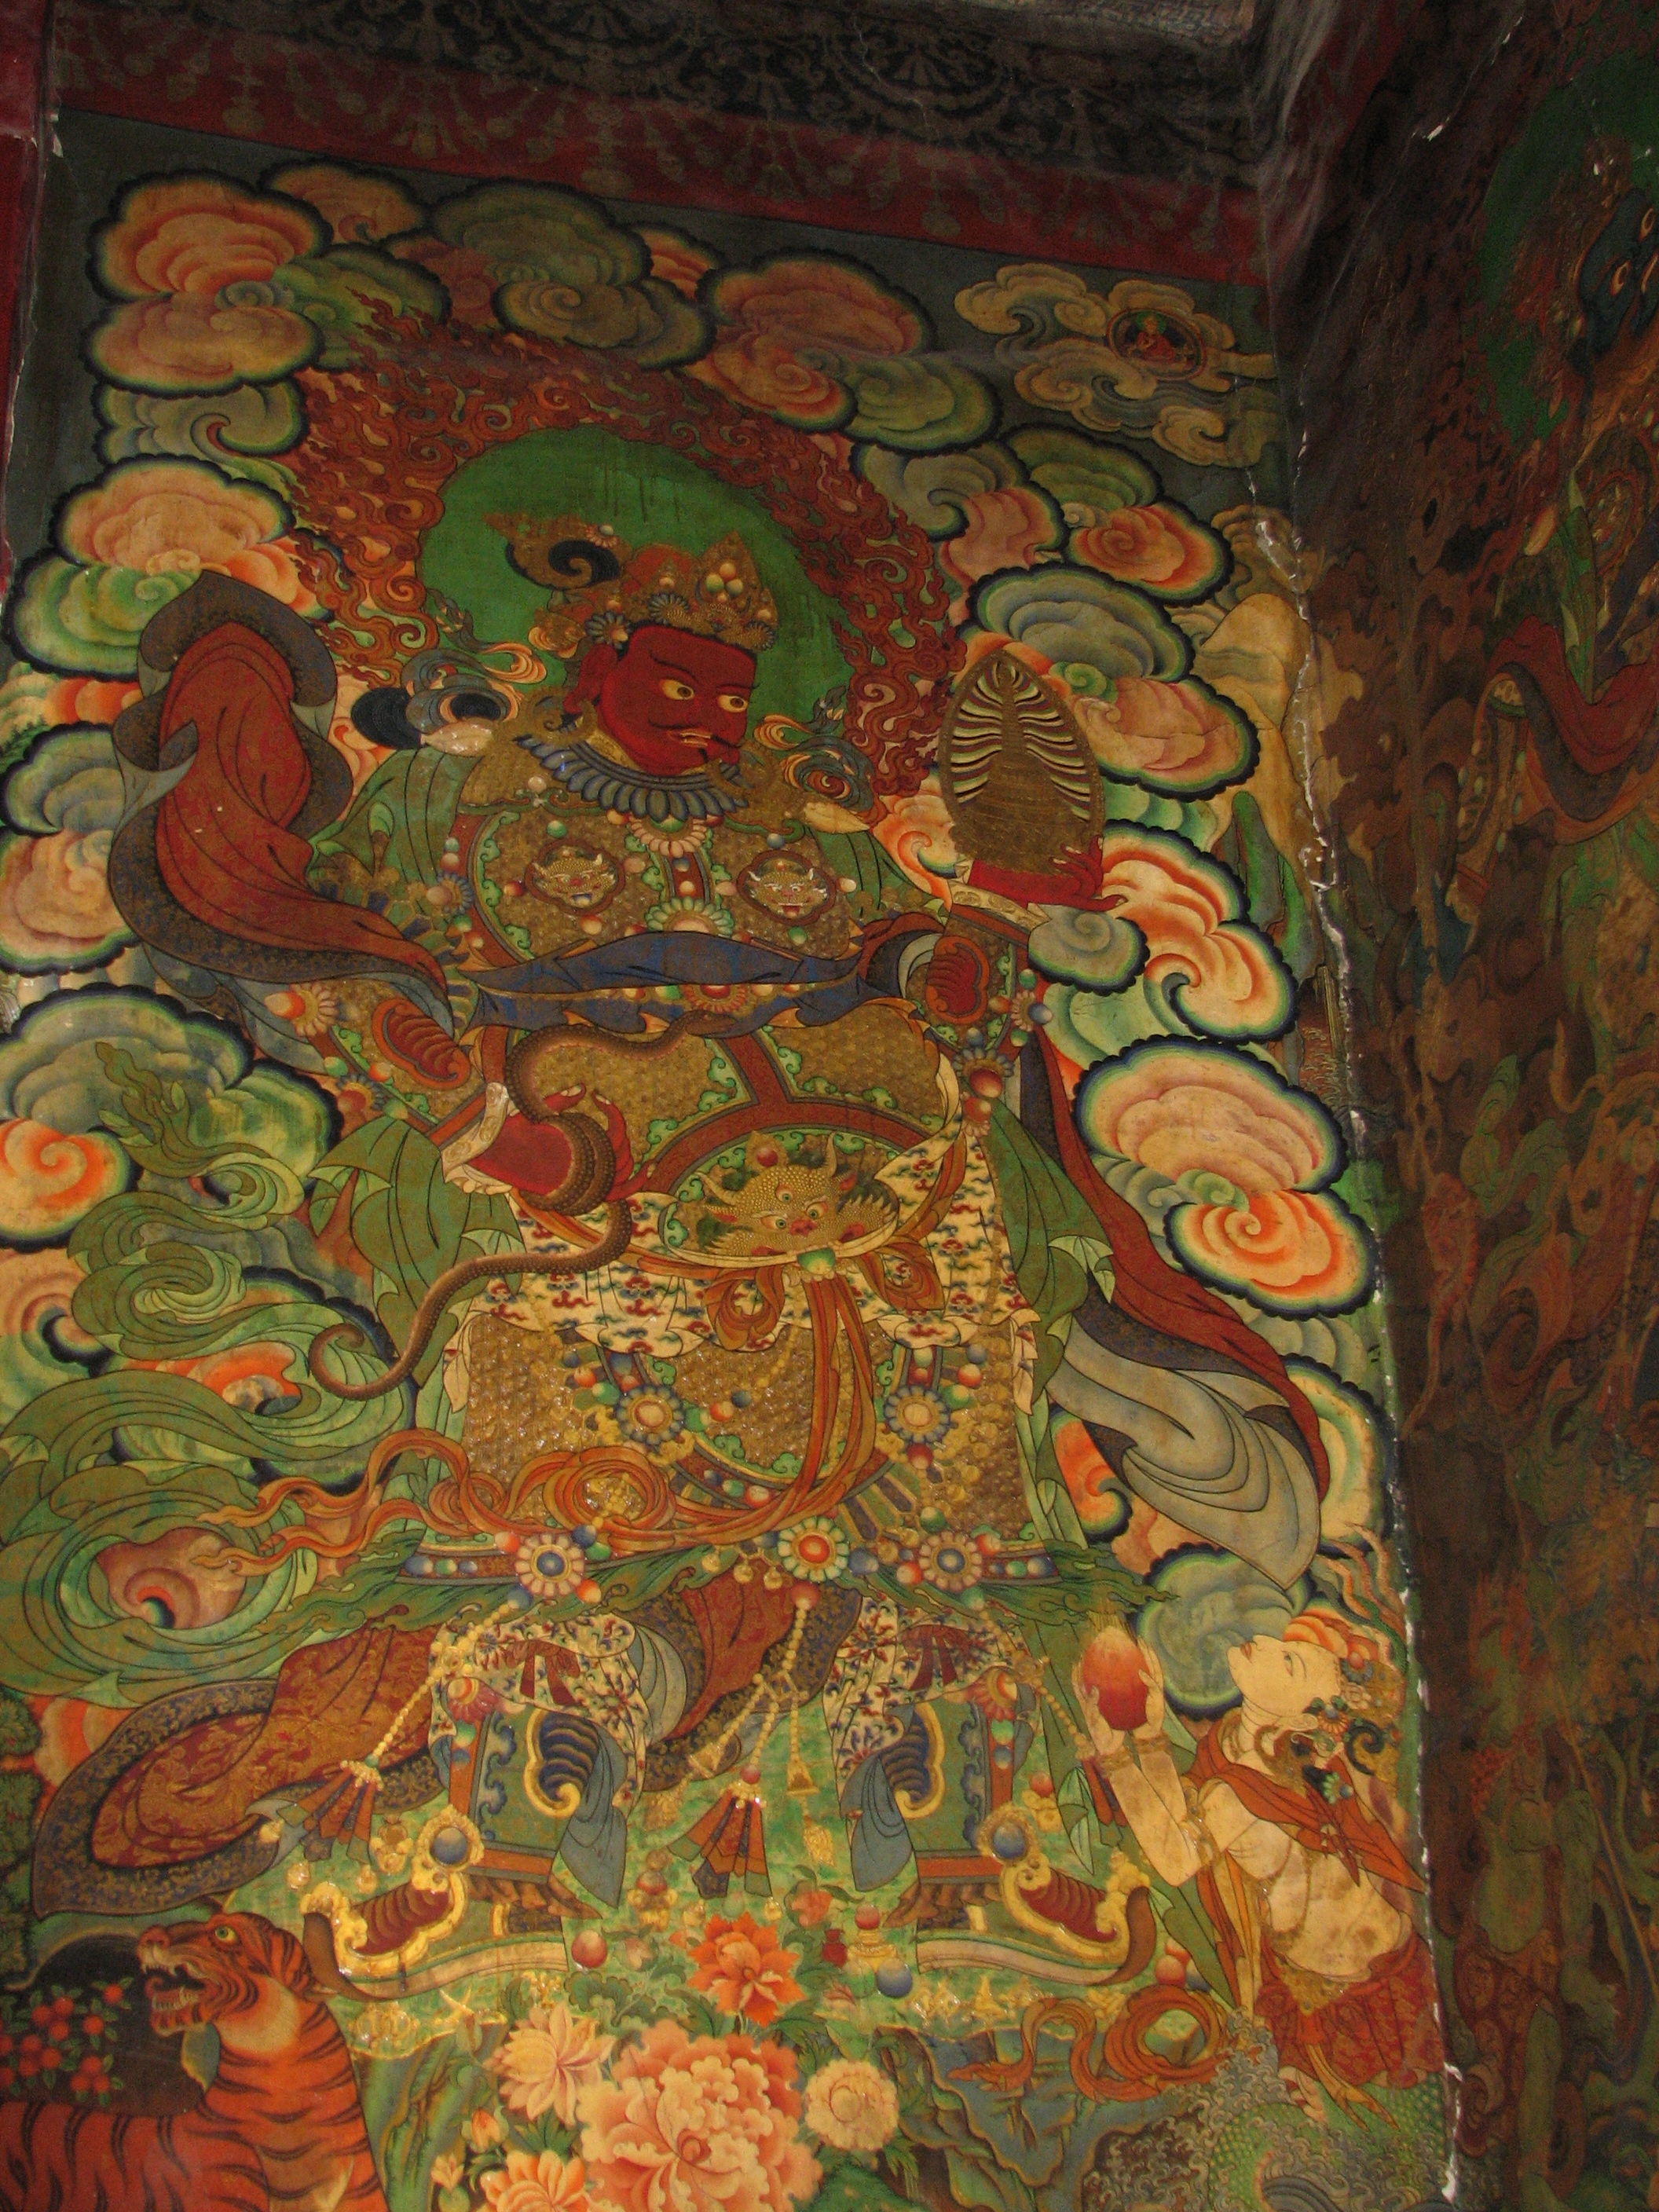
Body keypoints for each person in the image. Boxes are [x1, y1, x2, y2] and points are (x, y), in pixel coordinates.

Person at [1076, 1612, 1441, 2117]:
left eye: (1288, 1662)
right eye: (1281, 1642)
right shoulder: (1232, 1749)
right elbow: (1185, 1823)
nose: (1263, 1642)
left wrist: (1116, 1757)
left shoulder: (1254, 1781)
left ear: (1302, 1720)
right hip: (1321, 1983)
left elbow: (1177, 1859)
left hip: (1378, 1986)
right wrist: (1149, 1736)